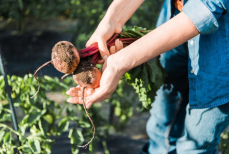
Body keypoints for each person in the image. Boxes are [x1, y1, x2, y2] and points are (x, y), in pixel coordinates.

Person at [66, 0, 229, 153]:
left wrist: (120, 63)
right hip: (174, 17)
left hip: (221, 45)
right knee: (161, 128)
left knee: (194, 145)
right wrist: (112, 20)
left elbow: (207, 7)